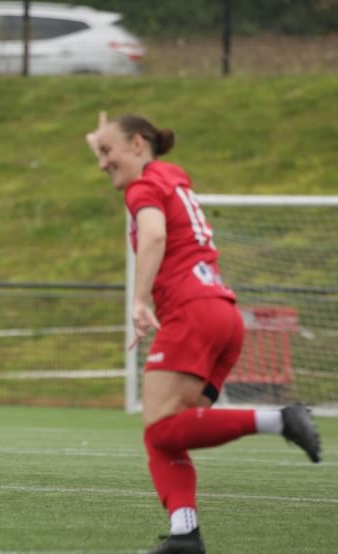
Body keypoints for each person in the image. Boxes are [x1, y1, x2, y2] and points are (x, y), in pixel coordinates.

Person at [87, 112, 322, 554]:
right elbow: (131, 171)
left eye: (107, 153)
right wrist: (101, 142)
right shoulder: (169, 173)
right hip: (223, 315)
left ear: (138, 145)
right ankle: (184, 533)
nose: (102, 164)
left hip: (191, 312)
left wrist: (139, 301)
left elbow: (154, 236)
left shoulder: (143, 186)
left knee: (159, 430)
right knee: (172, 433)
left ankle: (279, 419)